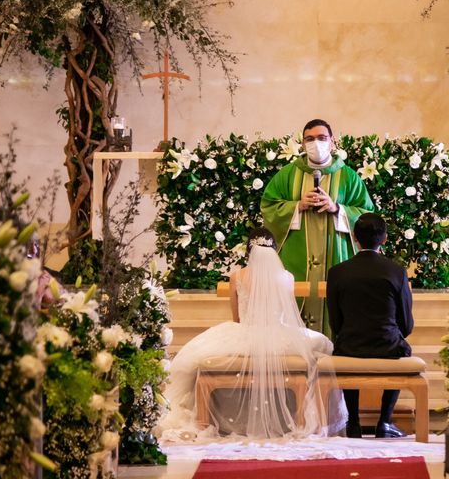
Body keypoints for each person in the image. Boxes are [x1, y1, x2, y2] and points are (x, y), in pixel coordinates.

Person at [158, 227, 346, 442]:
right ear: (275, 251)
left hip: (245, 333)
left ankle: (209, 420)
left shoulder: (237, 276)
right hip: (281, 335)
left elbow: (237, 317)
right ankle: (302, 421)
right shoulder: (287, 277)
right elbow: (287, 313)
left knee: (192, 357)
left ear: (249, 250)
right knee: (321, 346)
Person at [261, 119, 374, 338]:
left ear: (332, 142)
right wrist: (297, 206)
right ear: (302, 144)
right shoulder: (286, 175)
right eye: (310, 139)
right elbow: (268, 208)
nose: (316, 143)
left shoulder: (348, 176)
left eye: (322, 138)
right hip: (296, 256)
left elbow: (367, 215)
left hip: (336, 254)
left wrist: (338, 209)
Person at [326, 213, 413, 439]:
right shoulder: (396, 271)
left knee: (344, 348)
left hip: (350, 345)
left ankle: (353, 422)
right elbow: (406, 322)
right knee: (403, 348)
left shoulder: (337, 272)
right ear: (384, 239)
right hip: (387, 345)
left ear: (355, 237)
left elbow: (335, 322)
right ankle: (384, 421)